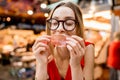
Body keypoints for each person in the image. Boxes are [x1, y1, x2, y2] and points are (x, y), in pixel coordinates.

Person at [32, 1, 94, 80]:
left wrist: (76, 65)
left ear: (78, 28)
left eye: (68, 23)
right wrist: (42, 64)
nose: (60, 28)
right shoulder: (44, 49)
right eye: (54, 23)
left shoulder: (87, 48)